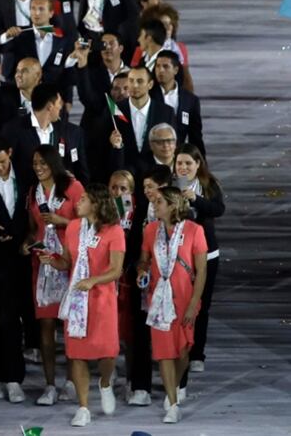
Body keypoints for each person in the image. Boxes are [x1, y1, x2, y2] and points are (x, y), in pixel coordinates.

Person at [41, 184, 125, 427]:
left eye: (84, 199)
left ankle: (106, 382)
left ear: (97, 204)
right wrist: (52, 261)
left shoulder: (114, 231)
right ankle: (83, 406)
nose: (78, 202)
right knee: (76, 354)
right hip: (77, 299)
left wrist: (93, 281)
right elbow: (68, 262)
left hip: (102, 299)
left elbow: (116, 269)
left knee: (107, 352)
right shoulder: (74, 227)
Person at [137, 186, 208, 424]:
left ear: (173, 205)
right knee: (164, 353)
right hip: (159, 300)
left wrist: (193, 304)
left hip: (186, 299)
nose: (154, 205)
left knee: (183, 350)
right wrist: (142, 271)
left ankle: (176, 386)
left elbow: (202, 271)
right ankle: (173, 403)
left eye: (159, 202)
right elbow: (144, 261)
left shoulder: (194, 230)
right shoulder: (149, 230)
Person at [23, 144, 84, 406]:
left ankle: (71, 380)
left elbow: (88, 224)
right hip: (44, 265)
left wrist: (62, 222)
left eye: (43, 163)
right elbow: (32, 228)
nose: (38, 167)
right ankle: (50, 384)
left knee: (69, 324)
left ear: (54, 163)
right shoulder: (33, 192)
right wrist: (26, 243)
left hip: (70, 262)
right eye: (35, 163)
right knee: (46, 327)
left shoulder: (73, 186)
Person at [173, 144, 224, 376]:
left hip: (206, 254)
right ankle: (176, 348)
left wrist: (196, 200)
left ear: (198, 165)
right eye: (179, 163)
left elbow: (218, 209)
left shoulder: (207, 184)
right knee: (177, 303)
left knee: (201, 305)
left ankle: (197, 354)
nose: (183, 168)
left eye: (188, 163)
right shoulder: (170, 186)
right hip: (176, 255)